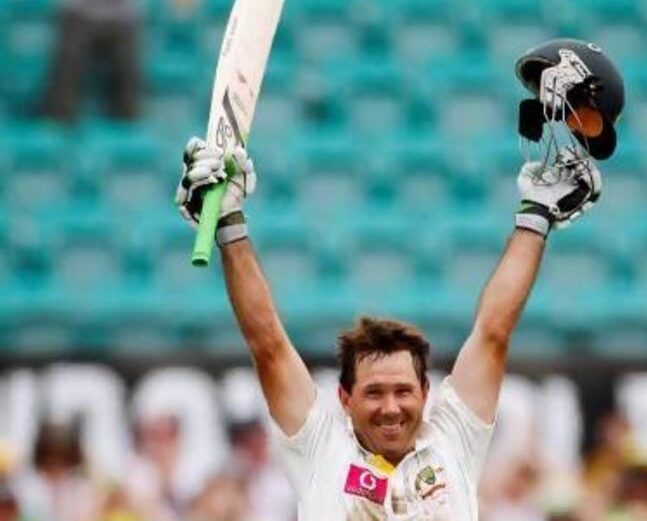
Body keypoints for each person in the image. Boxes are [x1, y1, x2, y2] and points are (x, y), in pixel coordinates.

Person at [174, 38, 621, 520]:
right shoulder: (321, 446)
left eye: (403, 391)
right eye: (374, 392)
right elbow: (268, 343)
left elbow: (494, 331)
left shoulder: (452, 439)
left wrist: (535, 218)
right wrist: (229, 225)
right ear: (344, 399)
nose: (391, 407)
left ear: (425, 394)